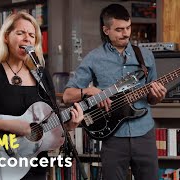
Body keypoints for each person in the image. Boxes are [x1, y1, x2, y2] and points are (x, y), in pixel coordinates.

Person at [0, 12, 84, 180]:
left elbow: (48, 123)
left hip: (34, 166)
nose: (27, 39)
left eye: (32, 35)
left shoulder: (41, 74)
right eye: (20, 33)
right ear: (7, 37)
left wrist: (68, 126)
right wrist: (11, 126)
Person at [63, 4, 167, 180]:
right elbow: (67, 95)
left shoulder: (145, 55)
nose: (125, 33)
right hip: (112, 135)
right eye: (119, 29)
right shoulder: (94, 58)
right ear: (106, 30)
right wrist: (89, 91)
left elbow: (152, 99)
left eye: (128, 28)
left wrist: (158, 95)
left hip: (144, 132)